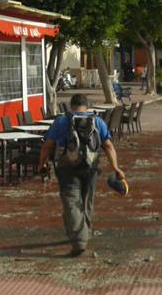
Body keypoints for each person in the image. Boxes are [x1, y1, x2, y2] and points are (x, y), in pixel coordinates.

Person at [37, 93, 125, 256]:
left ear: (71, 106)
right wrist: (116, 167)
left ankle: (79, 241)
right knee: (87, 201)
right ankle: (84, 231)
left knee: (71, 203)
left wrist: (41, 165)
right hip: (91, 168)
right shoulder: (97, 121)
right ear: (87, 106)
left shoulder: (61, 121)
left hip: (66, 169)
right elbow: (108, 146)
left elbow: (47, 146)